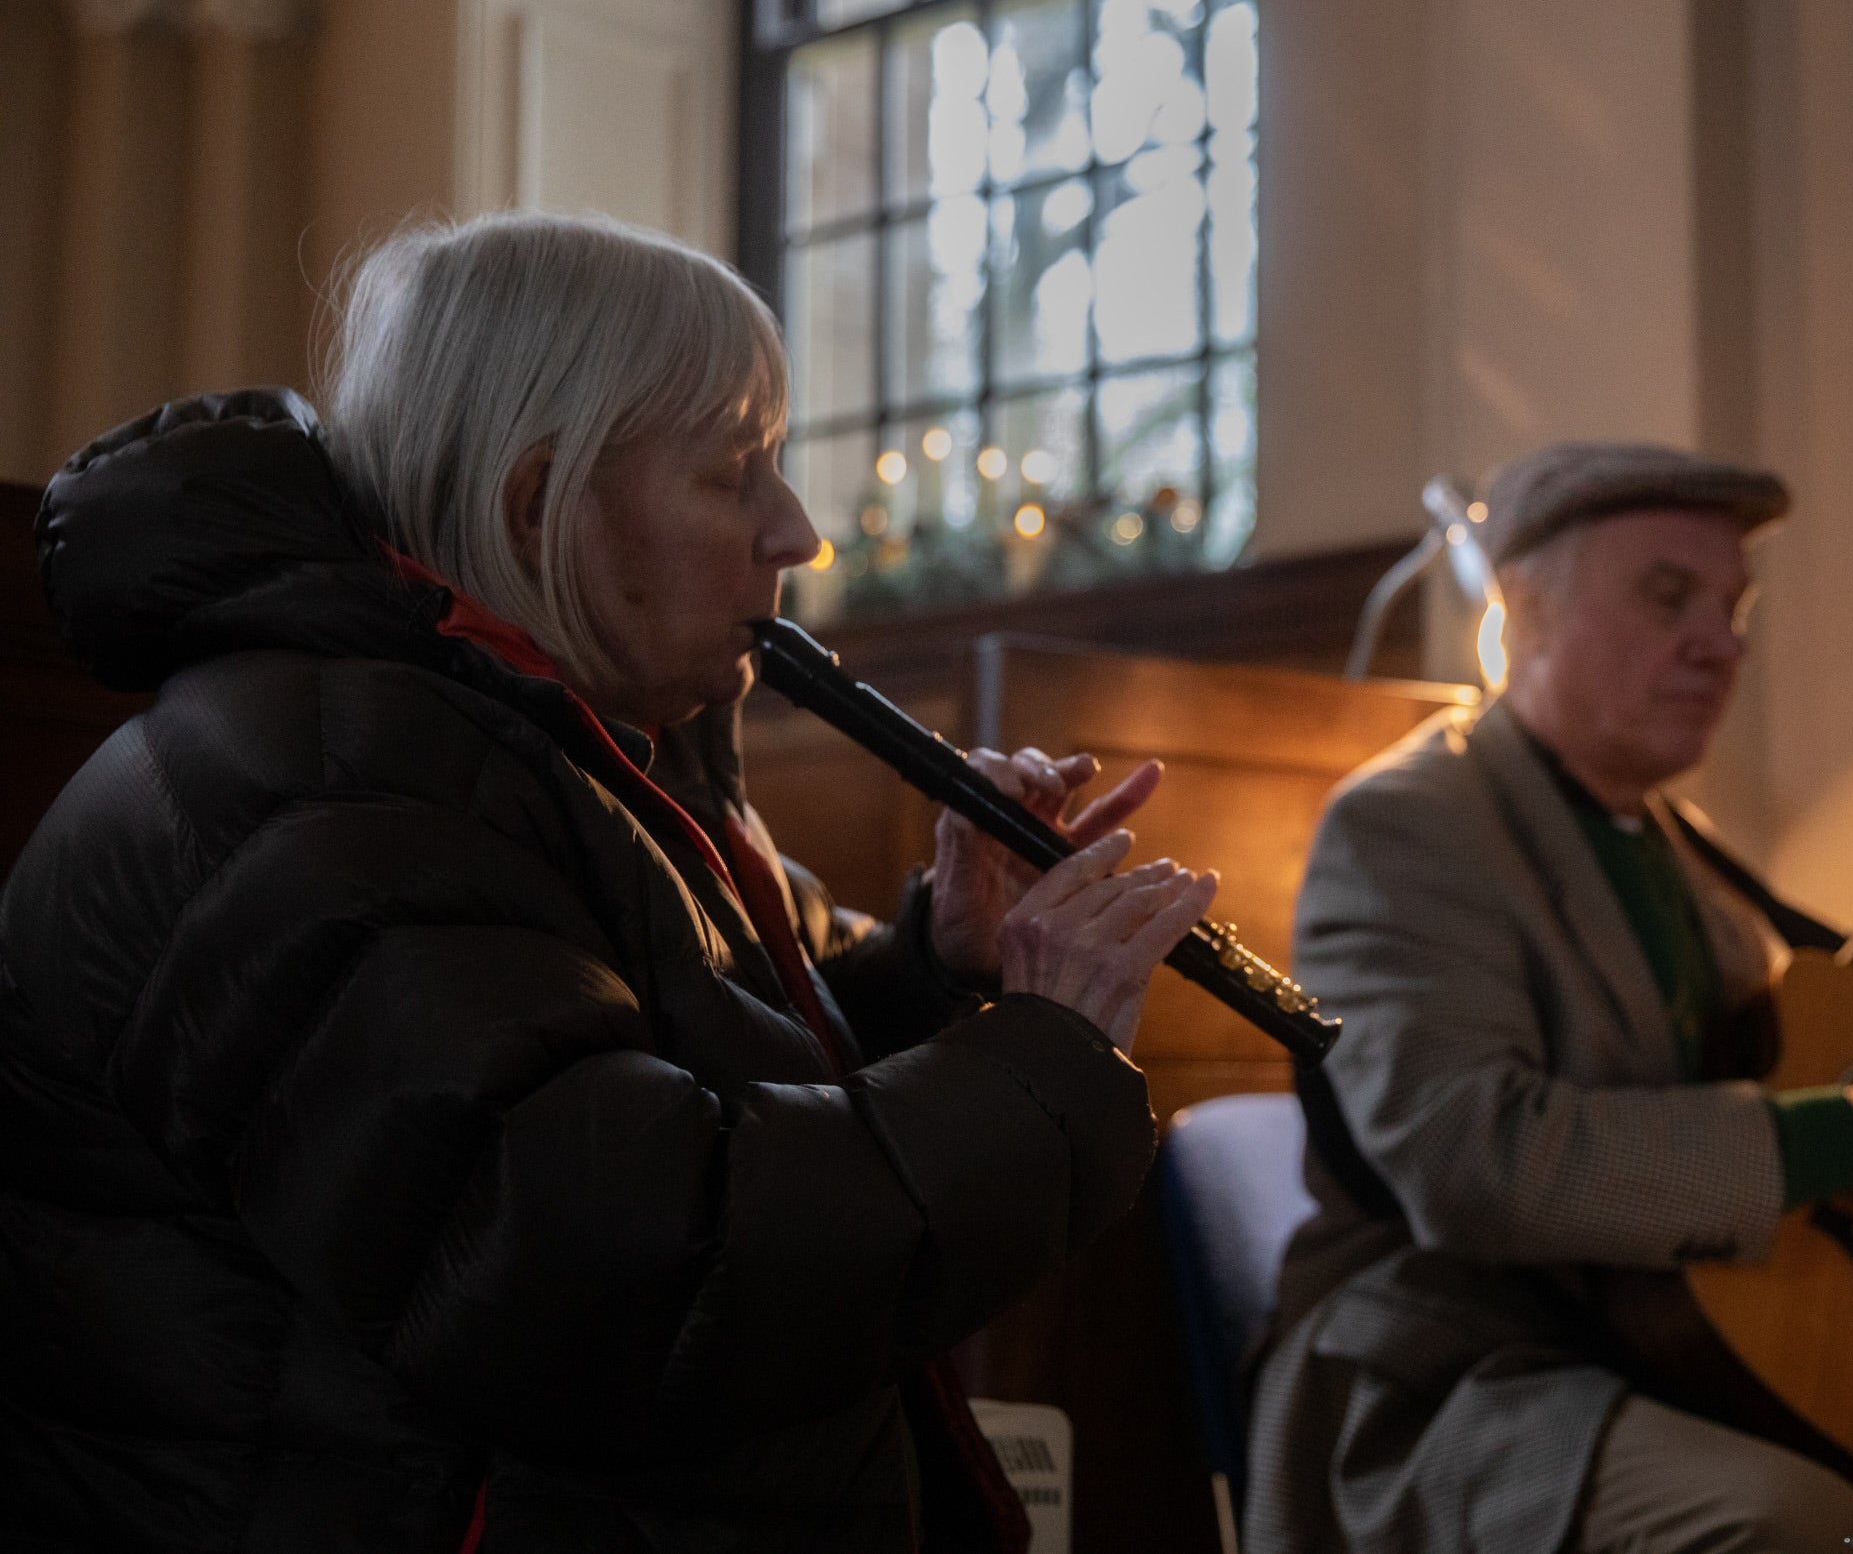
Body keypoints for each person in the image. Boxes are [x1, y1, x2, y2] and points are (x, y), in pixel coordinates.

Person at [0, 212, 1217, 1552]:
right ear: (540, 502)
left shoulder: (557, 740)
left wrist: (944, 958)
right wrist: (1042, 1061)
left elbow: (693, 1070)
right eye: (734, 472)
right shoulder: (312, 786)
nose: (797, 533)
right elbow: (634, 1269)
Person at [1244, 442, 1853, 1554]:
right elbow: (1471, 1157)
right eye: (1671, 598)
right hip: (1460, 1374)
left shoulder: (1671, 842)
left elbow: (1792, 1077)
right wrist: (1837, 1143)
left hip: (1674, 1339)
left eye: (1732, 606)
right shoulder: (1409, 823)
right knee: (1794, 1523)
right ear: (1523, 609)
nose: (1723, 644)